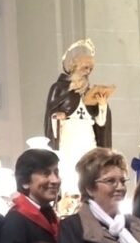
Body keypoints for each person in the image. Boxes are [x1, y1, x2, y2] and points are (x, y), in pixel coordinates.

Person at [44, 39, 112, 186]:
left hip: (88, 138)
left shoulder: (89, 92)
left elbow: (100, 123)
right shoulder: (59, 88)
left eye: (90, 69)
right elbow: (51, 113)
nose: (88, 72)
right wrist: (58, 117)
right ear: (74, 67)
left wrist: (102, 106)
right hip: (69, 138)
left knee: (90, 170)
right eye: (85, 68)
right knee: (69, 172)